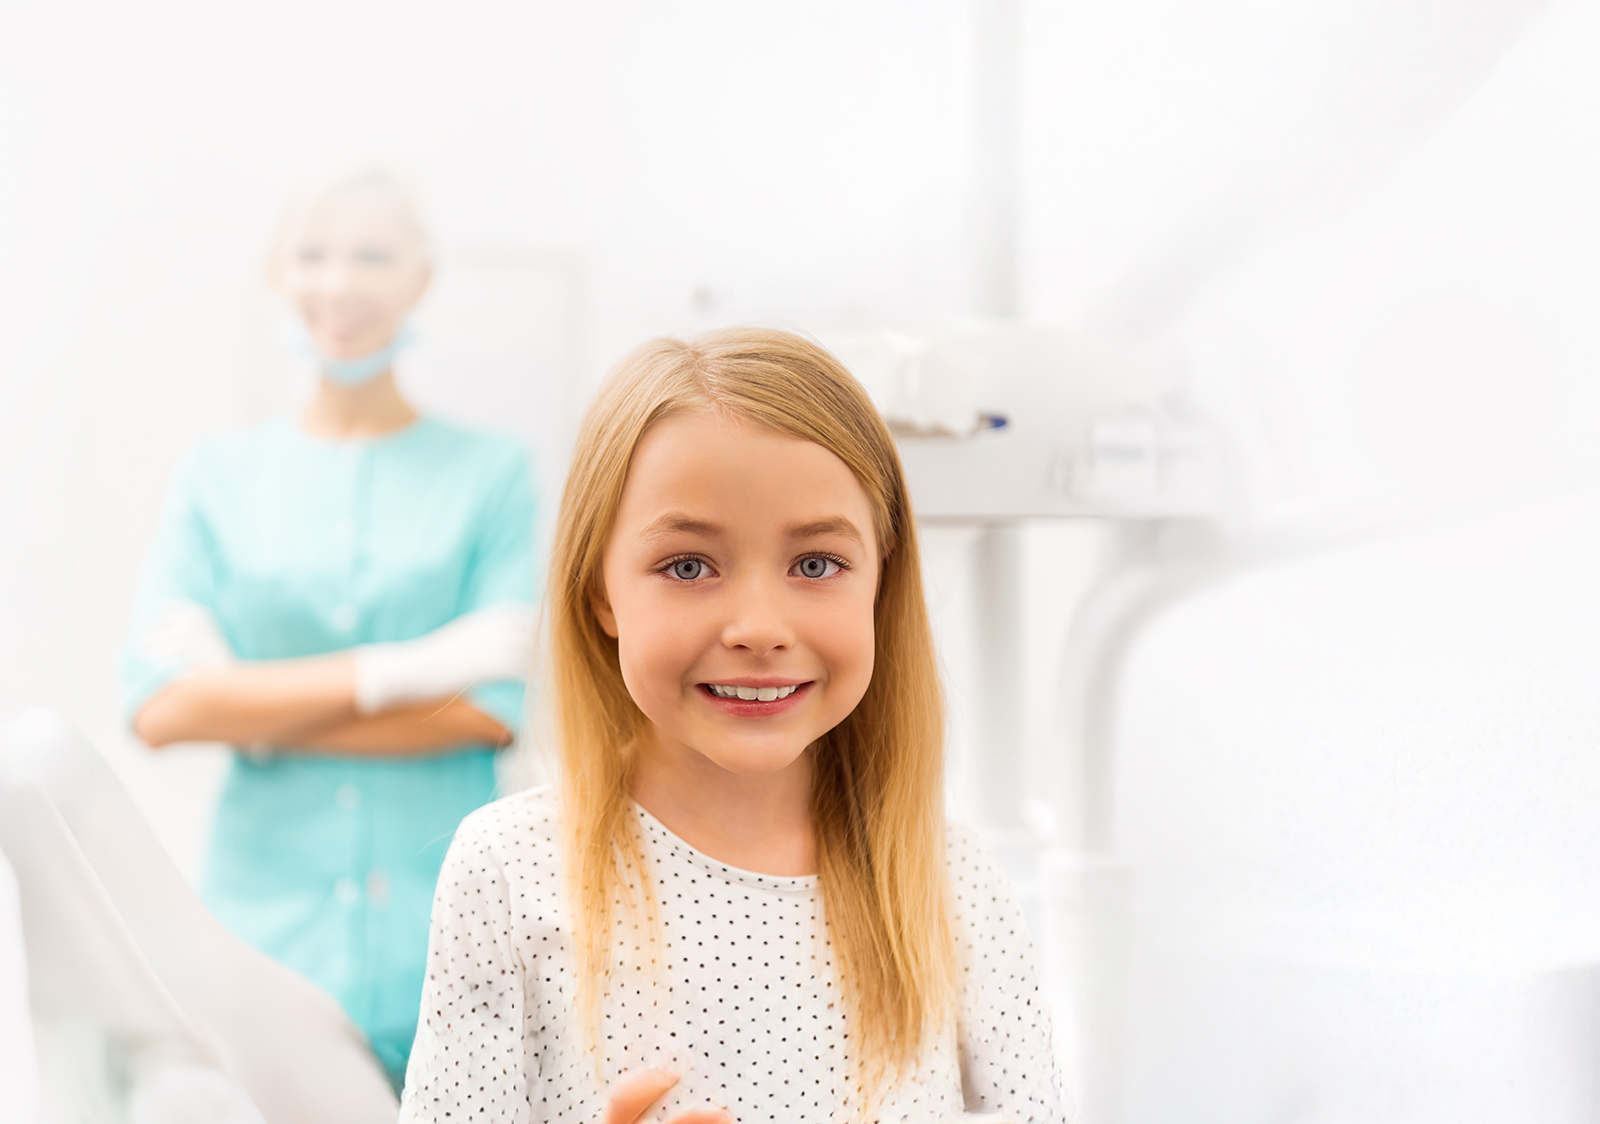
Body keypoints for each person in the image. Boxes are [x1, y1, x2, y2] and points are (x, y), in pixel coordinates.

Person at [402, 328, 1063, 1122]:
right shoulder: (509, 872)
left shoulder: (953, 883)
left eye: (816, 565)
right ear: (600, 594)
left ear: (881, 586)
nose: (758, 627)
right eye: (688, 567)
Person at [121, 168, 535, 1089]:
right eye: (313, 254)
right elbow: (158, 710)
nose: (339, 283)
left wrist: (249, 705)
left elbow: (489, 712)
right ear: (279, 272)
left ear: (419, 278)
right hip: (258, 938)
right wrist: (411, 669)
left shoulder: (494, 474)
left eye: (373, 255)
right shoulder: (216, 480)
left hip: (446, 934)